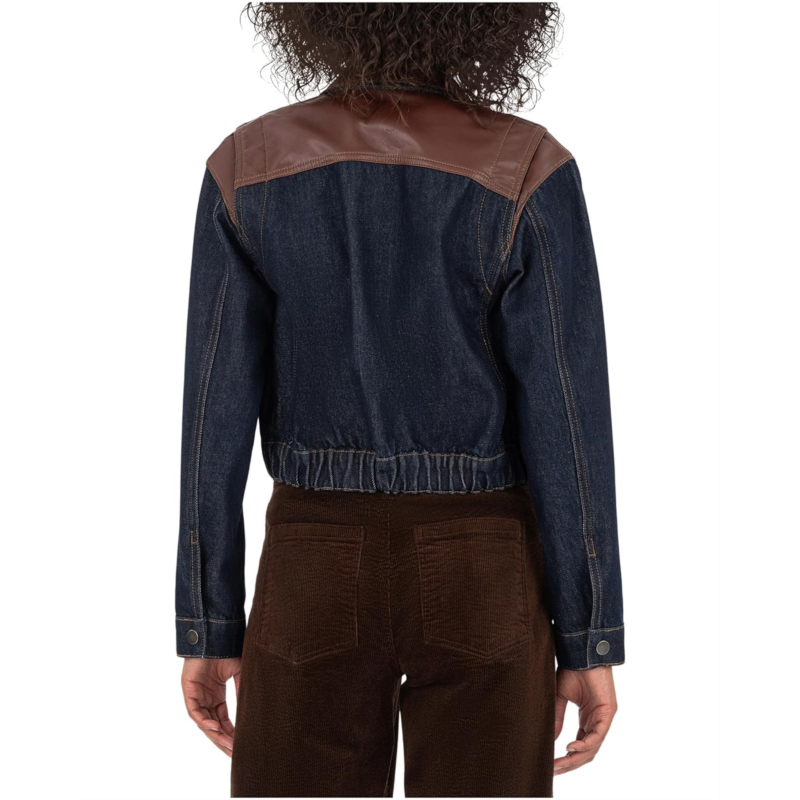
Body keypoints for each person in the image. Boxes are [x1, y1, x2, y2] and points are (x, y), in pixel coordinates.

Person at [175, 3, 623, 796]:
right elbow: (569, 421)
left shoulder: (247, 164)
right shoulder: (528, 167)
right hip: (483, 562)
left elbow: (213, 416)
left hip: (312, 560)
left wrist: (208, 624)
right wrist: (589, 639)